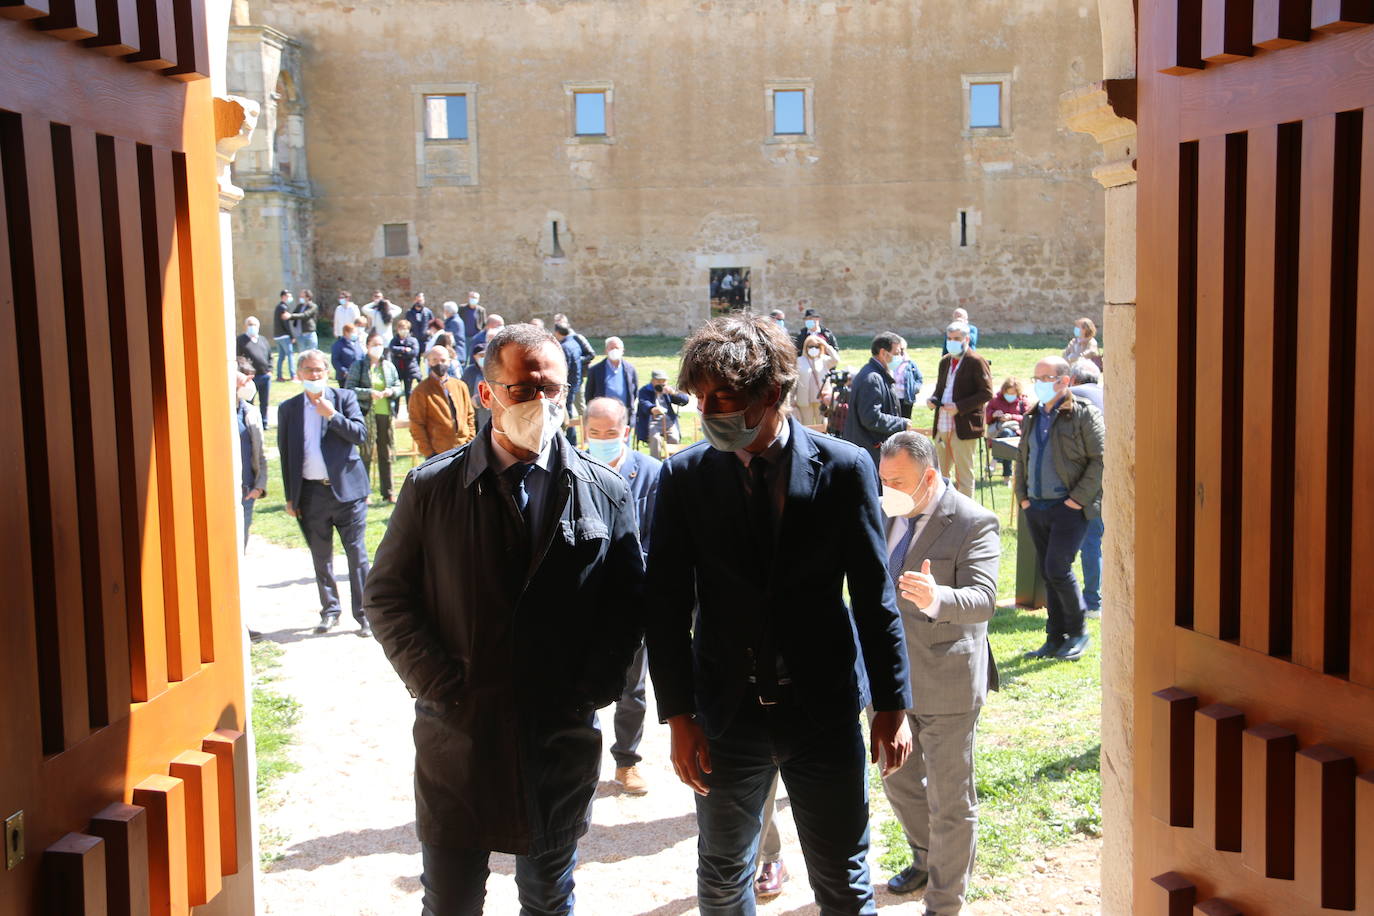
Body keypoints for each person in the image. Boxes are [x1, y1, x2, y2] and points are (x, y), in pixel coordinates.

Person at [364, 323, 644, 915]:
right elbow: (387, 596)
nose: (540, 404)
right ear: (488, 394)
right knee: (451, 901)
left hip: (557, 732)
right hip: (459, 733)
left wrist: (590, 691)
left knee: (549, 898)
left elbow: (626, 607)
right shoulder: (433, 489)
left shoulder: (606, 491)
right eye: (523, 390)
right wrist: (439, 685)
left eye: (552, 391)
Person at [645, 312, 913, 916]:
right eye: (700, 398)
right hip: (725, 714)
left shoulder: (844, 468)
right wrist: (679, 715)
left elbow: (874, 596)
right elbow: (665, 607)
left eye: (725, 397)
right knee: (720, 875)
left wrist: (893, 704)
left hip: (822, 709)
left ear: (772, 393)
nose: (710, 410)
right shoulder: (684, 476)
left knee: (844, 878)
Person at [877, 431, 1000, 913]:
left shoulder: (973, 520)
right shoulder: (885, 512)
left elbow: (984, 599)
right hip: (891, 680)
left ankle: (945, 901)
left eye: (898, 481)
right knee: (899, 780)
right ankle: (927, 857)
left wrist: (937, 599)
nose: (888, 490)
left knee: (950, 800)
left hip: (948, 683)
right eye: (883, 480)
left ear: (929, 477)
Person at [584, 396, 662, 797]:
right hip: (585, 603)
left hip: (634, 599)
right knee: (579, 683)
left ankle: (626, 761)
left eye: (610, 433)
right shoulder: (573, 471)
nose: (602, 440)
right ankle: (581, 761)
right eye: (594, 433)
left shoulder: (651, 473)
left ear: (626, 432)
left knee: (632, 687)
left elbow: (661, 539)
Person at [1015, 356, 1106, 661]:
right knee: (1047, 570)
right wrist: (1023, 498)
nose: (1039, 382)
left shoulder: (1082, 414)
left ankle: (1078, 631)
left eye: (1046, 377)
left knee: (1058, 568)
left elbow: (1100, 459)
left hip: (1068, 506)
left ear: (1065, 381)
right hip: (1036, 506)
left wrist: (1076, 501)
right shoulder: (1032, 416)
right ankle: (1054, 637)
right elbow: (1022, 459)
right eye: (1036, 376)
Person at [278, 350, 371, 636]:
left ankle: (365, 614)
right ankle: (330, 610)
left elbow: (360, 434)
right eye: (308, 370)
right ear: (300, 374)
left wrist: (332, 415)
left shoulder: (344, 398)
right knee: (321, 556)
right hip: (310, 493)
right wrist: (291, 497)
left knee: (356, 555)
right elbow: (286, 454)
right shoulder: (289, 409)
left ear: (327, 372)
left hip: (347, 492)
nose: (314, 375)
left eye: (318, 370)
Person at [926, 321, 993, 498]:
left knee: (964, 473)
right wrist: (934, 400)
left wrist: (959, 407)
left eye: (956, 338)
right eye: (949, 338)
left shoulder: (976, 361)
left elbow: (986, 393)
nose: (952, 342)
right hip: (942, 424)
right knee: (940, 472)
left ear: (967, 339)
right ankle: (940, 509)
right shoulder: (945, 361)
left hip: (964, 425)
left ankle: (966, 516)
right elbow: (941, 389)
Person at [345, 332, 402, 504]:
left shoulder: (388, 366)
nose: (378, 348)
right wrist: (369, 393)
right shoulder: (359, 365)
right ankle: (364, 492)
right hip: (366, 414)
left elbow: (398, 385)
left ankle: (388, 492)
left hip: (385, 413)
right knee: (366, 453)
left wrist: (391, 391)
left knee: (386, 453)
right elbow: (350, 388)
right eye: (374, 344)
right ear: (367, 345)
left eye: (380, 344)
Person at [843, 331, 915, 466]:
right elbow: (871, 418)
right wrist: (901, 424)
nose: (900, 357)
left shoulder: (877, 374)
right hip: (870, 450)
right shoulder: (872, 378)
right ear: (883, 353)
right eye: (897, 353)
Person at [1069, 361, 1105, 616]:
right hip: (1112, 474)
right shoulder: (1108, 394)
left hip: (1084, 479)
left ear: (1073, 381)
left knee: (1089, 539)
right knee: (1098, 536)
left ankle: (1092, 601)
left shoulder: (1074, 397)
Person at [408, 345, 477, 459]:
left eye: (443, 360)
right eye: (435, 360)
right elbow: (416, 424)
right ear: (429, 362)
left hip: (463, 449)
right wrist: (429, 452)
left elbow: (469, 416)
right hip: (437, 452)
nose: (439, 363)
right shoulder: (421, 391)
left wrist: (469, 442)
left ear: (449, 362)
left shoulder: (460, 386)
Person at [236, 358, 267, 547]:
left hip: (246, 492)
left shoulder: (251, 412)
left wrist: (259, 486)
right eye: (245, 379)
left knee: (241, 546)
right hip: (222, 493)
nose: (250, 384)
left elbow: (260, 453)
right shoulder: (215, 412)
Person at [635, 369, 689, 459]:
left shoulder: (668, 390)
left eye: (664, 381)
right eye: (659, 381)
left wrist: (673, 393)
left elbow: (685, 400)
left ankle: (674, 462)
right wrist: (652, 408)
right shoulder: (644, 390)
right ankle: (655, 463)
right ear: (653, 381)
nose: (662, 383)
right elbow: (644, 403)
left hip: (668, 421)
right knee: (655, 439)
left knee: (674, 438)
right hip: (652, 422)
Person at [985, 377, 1029, 481]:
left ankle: (995, 461)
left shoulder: (1023, 401)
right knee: (1005, 435)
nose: (1010, 396)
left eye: (1013, 394)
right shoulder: (995, 400)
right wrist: (994, 414)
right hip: (996, 433)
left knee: (1006, 436)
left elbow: (1027, 418)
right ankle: (1006, 477)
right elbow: (985, 417)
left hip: (1017, 435)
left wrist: (1012, 417)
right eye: (1008, 393)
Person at [553, 312, 596, 415]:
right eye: (557, 323)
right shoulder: (557, 339)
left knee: (580, 405)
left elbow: (591, 354)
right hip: (564, 378)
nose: (559, 325)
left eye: (561, 323)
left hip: (576, 375)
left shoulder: (577, 338)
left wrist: (576, 361)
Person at [584, 336, 639, 417]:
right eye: (611, 348)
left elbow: (634, 391)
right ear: (606, 351)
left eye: (617, 348)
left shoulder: (630, 369)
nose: (614, 350)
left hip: (624, 414)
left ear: (623, 350)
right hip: (603, 414)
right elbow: (589, 394)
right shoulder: (595, 370)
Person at [795, 333, 839, 427]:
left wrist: (826, 345)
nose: (813, 349)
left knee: (822, 425)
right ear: (806, 347)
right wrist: (791, 401)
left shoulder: (824, 360)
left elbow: (836, 359)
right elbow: (794, 382)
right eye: (810, 346)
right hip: (804, 401)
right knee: (807, 426)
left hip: (822, 400)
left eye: (816, 346)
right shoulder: (799, 361)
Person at [236, 316, 272, 427]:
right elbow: (238, 357)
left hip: (264, 376)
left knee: (264, 401)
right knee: (249, 402)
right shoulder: (241, 340)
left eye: (255, 325)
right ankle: (249, 423)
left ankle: (264, 422)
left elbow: (270, 355)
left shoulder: (263, 340)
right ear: (245, 326)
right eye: (250, 325)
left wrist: (270, 370)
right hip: (250, 377)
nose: (253, 327)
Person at [554, 323, 584, 446]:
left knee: (567, 414)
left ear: (557, 333)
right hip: (575, 382)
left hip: (568, 384)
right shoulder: (574, 343)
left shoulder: (565, 347)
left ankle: (571, 442)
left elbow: (564, 369)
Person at [388, 318, 422, 400]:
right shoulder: (394, 340)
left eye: (405, 329)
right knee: (397, 391)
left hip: (409, 369)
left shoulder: (413, 340)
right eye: (401, 329)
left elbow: (414, 352)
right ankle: (395, 411)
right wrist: (404, 350)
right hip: (397, 368)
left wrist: (400, 354)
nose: (403, 331)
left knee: (408, 391)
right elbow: (392, 349)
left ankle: (409, 410)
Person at [891, 337, 925, 419]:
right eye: (898, 349)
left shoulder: (910, 363)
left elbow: (919, 378)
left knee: (905, 422)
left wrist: (914, 389)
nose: (900, 351)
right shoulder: (889, 361)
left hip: (906, 398)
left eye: (902, 349)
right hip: (892, 398)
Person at [462, 342, 491, 432]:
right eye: (481, 355)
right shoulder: (469, 371)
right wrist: (469, 400)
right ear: (475, 356)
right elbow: (462, 388)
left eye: (487, 354)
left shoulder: (494, 370)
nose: (484, 357)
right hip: (472, 413)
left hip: (488, 413)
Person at [272, 290, 298, 381]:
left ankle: (279, 376)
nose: (290, 298)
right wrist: (292, 336)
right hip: (284, 336)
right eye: (288, 296)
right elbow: (286, 324)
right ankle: (293, 375)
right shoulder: (283, 308)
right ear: (283, 297)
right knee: (290, 355)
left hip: (278, 335)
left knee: (281, 357)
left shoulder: (278, 307)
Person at [440, 300, 469, 365]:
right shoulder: (454, 320)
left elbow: (449, 336)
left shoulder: (455, 322)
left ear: (448, 312)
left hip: (456, 352)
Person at [292, 289, 320, 354]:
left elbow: (305, 315)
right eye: (300, 296)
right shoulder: (299, 306)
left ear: (308, 297)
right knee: (302, 354)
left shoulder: (313, 306)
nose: (300, 298)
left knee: (312, 353)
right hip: (299, 334)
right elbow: (294, 314)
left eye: (302, 296)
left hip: (309, 333)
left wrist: (290, 316)